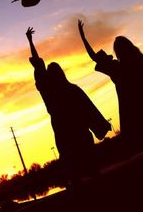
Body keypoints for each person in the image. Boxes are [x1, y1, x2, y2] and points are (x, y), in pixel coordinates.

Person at [26, 27, 111, 189]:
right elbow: (89, 108)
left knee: (73, 170)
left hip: (64, 133)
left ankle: (79, 190)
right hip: (79, 132)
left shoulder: (49, 92)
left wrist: (30, 41)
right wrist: (100, 125)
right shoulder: (71, 89)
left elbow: (38, 65)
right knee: (91, 167)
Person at [78, 20, 143, 153]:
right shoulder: (140, 62)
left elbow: (94, 57)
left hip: (133, 113)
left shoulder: (116, 68)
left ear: (117, 52)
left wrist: (83, 38)